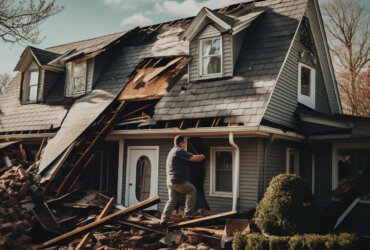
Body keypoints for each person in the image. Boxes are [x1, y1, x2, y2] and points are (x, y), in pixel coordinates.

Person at [160, 135, 206, 226]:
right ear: (181, 143)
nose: (185, 145)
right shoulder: (179, 151)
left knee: (172, 200)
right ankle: (188, 212)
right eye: (184, 143)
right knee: (192, 190)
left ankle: (164, 220)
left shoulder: (172, 151)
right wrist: (203, 155)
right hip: (178, 180)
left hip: (170, 181)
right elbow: (195, 158)